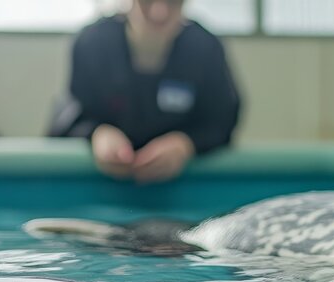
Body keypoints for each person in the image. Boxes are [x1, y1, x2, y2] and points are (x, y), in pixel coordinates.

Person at [49, 0, 242, 183]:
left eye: (172, 2)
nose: (160, 13)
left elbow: (222, 120)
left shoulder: (205, 48)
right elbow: (68, 116)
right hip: (102, 187)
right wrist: (97, 133)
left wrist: (186, 143)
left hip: (179, 189)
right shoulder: (91, 43)